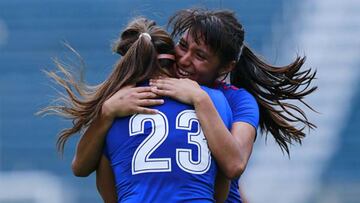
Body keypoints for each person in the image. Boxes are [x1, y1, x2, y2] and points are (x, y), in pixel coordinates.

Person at [71, 8, 317, 202]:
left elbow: (233, 166)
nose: (185, 60)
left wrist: (200, 100)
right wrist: (105, 114)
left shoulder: (237, 100)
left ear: (226, 68)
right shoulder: (134, 98)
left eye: (200, 56)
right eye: (184, 45)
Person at [41, 17, 234, 202]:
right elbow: (220, 193)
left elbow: (85, 173)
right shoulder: (214, 99)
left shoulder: (115, 106)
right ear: (171, 57)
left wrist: (106, 113)